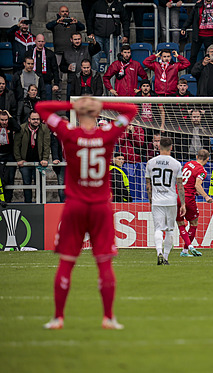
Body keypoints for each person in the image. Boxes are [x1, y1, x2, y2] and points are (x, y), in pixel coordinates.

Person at [36, 97, 138, 330]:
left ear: (80, 114)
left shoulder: (68, 133)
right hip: (100, 206)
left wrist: (75, 106)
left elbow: (41, 108)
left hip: (75, 205)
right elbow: (132, 109)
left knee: (67, 262)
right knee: (104, 263)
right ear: (95, 114)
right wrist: (99, 105)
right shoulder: (107, 134)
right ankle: (108, 318)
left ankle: (58, 318)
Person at [146, 137, 186, 265]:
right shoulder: (176, 164)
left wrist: (151, 201)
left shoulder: (151, 162)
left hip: (157, 201)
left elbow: (148, 186)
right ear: (171, 147)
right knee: (170, 230)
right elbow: (180, 185)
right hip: (171, 201)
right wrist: (183, 203)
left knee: (158, 229)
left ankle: (159, 252)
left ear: (159, 147)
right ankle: (166, 258)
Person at [175, 149, 213, 258]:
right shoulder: (202, 171)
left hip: (177, 195)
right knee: (194, 223)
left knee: (180, 223)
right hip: (187, 198)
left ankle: (188, 248)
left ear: (197, 156)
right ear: (207, 159)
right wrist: (206, 196)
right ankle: (186, 250)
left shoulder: (188, 163)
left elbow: (186, 180)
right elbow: (197, 185)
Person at [13, 111, 51, 203]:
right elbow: (16, 145)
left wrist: (45, 159)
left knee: (41, 184)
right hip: (25, 162)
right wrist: (19, 159)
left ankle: (41, 204)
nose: (36, 121)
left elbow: (47, 145)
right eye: (33, 119)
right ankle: (28, 204)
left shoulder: (44, 128)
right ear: (29, 119)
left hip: (39, 162)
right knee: (27, 184)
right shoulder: (22, 128)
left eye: (37, 119)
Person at [87, 0, 130, 69]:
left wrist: (126, 35)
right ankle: (94, 78)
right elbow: (90, 19)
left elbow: (125, 21)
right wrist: (90, 33)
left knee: (111, 59)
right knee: (95, 58)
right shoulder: (97, 4)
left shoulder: (119, 5)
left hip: (112, 37)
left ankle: (110, 78)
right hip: (97, 37)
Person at [60, 32, 101, 99]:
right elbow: (61, 67)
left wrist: (94, 42)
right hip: (72, 80)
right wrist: (67, 68)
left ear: (81, 39)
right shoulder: (66, 51)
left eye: (79, 39)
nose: (77, 41)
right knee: (70, 103)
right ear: (71, 40)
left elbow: (97, 49)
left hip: (85, 80)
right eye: (75, 39)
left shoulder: (87, 49)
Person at [181, 0, 213, 70]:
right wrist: (184, 27)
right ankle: (191, 74)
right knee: (193, 55)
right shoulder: (198, 5)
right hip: (198, 35)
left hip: (210, 36)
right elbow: (191, 18)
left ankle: (208, 73)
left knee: (209, 57)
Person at [24, 34, 60, 101]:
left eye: (42, 41)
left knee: (47, 104)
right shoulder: (29, 53)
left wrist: (56, 83)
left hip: (46, 82)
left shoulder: (50, 53)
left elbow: (55, 69)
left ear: (45, 42)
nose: (40, 43)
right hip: (32, 83)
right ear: (35, 41)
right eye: (39, 41)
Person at [0, 110, 20, 203]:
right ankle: (1, 200)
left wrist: (10, 116)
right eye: (2, 120)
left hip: (9, 155)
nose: (4, 122)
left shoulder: (10, 126)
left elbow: (18, 127)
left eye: (6, 120)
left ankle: (9, 200)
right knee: (1, 180)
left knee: (10, 178)